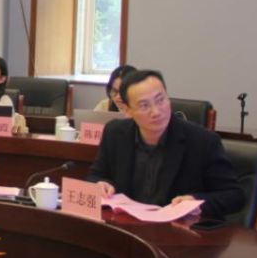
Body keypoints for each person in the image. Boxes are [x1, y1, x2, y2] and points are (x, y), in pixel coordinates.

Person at [88, 69, 244, 220]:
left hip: (178, 231)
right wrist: (101, 184)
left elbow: (234, 196)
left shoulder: (203, 141)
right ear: (127, 110)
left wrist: (195, 201)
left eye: (160, 100)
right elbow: (96, 175)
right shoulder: (114, 133)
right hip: (128, 226)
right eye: (144, 105)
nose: (156, 112)